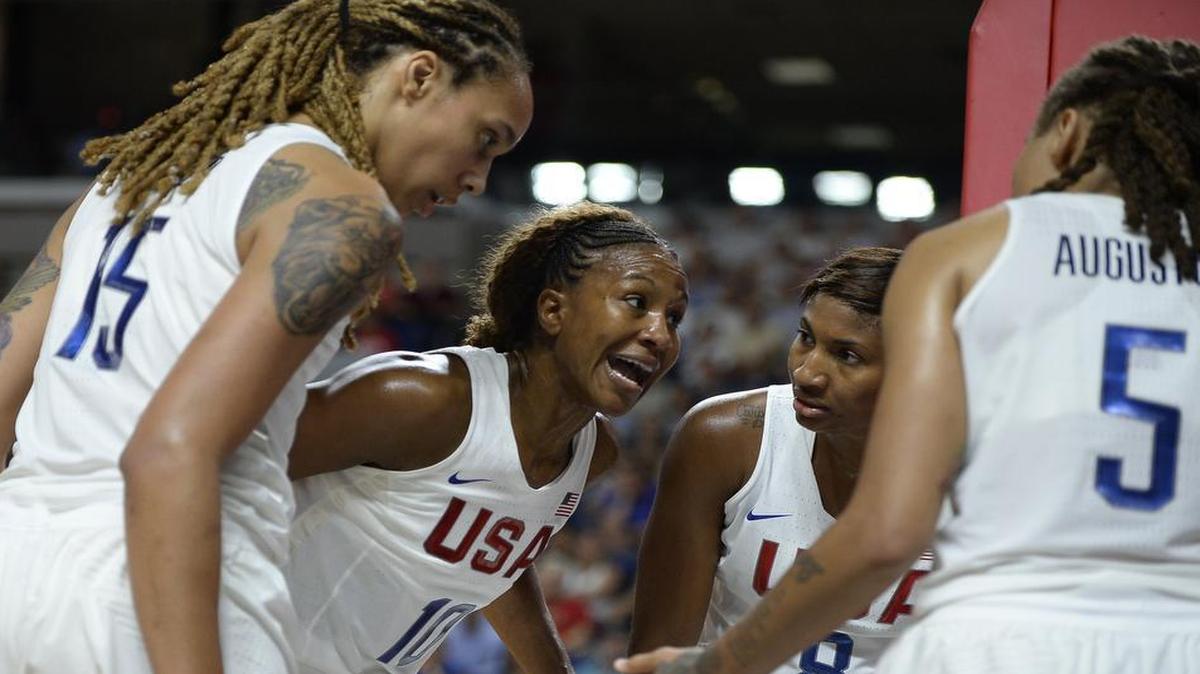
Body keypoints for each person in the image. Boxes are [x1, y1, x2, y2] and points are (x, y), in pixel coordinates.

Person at [617, 35, 1200, 674]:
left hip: (1017, 634)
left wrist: (718, 664)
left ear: (1065, 132)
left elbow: (887, 532)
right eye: (808, 338)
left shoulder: (974, 254)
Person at [0, 1, 533, 672]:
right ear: (419, 77)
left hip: (17, 570)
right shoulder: (342, 207)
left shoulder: (124, 181)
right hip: (162, 591)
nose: (477, 178)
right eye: (485, 139)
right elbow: (168, 451)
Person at [283, 202, 689, 674]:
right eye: (636, 302)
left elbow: (497, 556)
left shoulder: (592, 451)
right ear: (553, 310)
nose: (660, 334)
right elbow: (229, 457)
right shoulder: (423, 398)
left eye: (674, 317)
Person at [629, 248, 933, 674]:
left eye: (847, 356)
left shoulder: (984, 481)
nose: (807, 373)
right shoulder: (724, 439)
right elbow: (658, 654)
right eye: (806, 338)